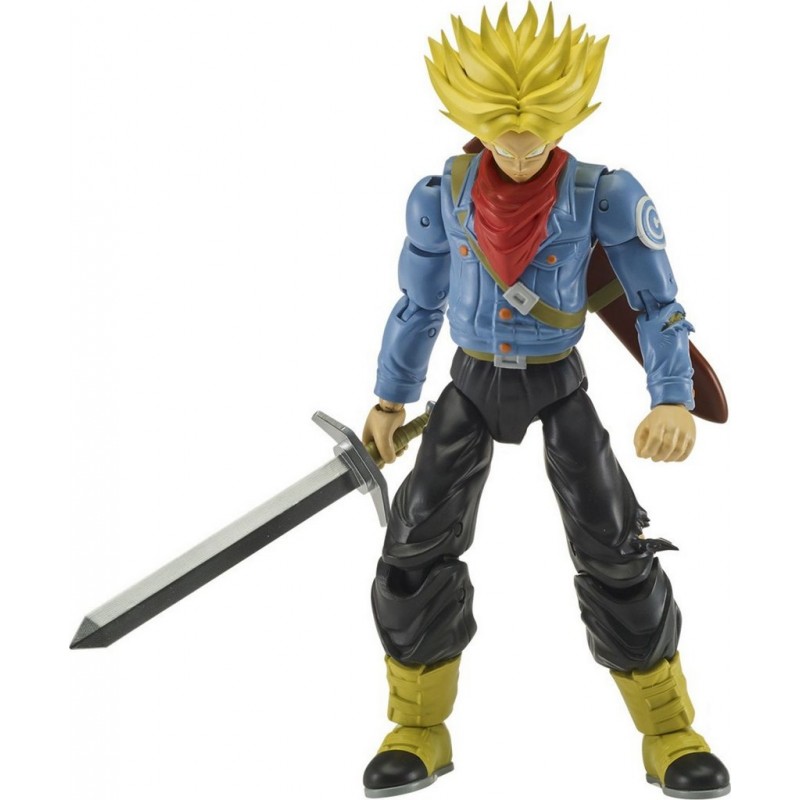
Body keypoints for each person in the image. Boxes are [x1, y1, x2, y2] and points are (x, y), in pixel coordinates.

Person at [360, 4, 730, 799]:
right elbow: (418, 303)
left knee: (614, 548)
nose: (522, 150)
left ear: (570, 112)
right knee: (413, 545)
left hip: (559, 383)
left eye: (537, 132)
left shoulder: (604, 194)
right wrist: (390, 399)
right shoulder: (441, 194)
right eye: (503, 132)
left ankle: (670, 731)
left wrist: (671, 397)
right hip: (470, 382)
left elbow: (658, 304)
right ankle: (417, 727)